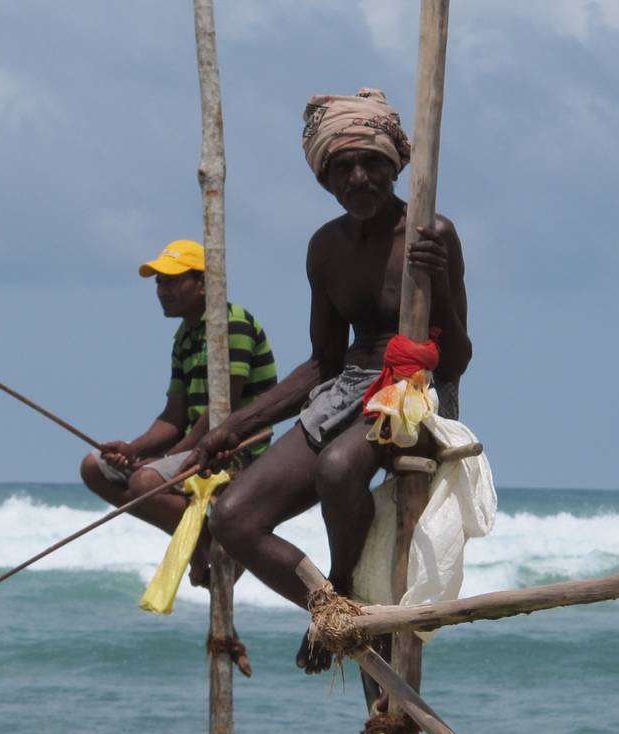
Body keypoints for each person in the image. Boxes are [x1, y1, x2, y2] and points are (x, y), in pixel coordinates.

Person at [188, 88, 471, 671]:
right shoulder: (325, 248)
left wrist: (438, 283)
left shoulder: (430, 234)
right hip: (346, 390)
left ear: (395, 165)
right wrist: (231, 429)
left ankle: (340, 593)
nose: (359, 177)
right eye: (342, 167)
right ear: (325, 178)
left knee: (339, 467)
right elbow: (323, 363)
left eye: (371, 163)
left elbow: (459, 357)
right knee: (232, 518)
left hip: (414, 390)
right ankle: (329, 607)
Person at [79, 239, 278, 587]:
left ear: (203, 283)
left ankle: (211, 545)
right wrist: (134, 450)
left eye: (171, 281)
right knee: (95, 467)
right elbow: (175, 415)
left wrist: (167, 459)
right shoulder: (185, 336)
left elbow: (222, 412)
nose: (162, 290)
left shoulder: (233, 324)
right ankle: (202, 542)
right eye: (158, 282)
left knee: (147, 481)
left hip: (236, 449)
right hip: (198, 442)